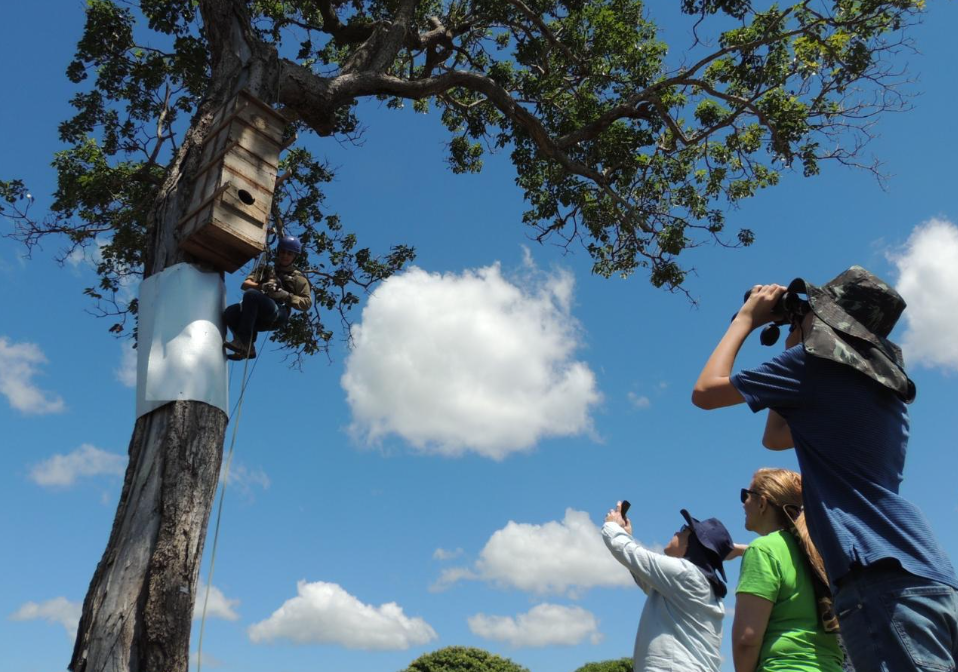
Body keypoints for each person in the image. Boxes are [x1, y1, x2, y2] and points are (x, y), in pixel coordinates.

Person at [692, 266, 958, 671]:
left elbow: (706, 392)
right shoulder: (884, 388)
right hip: (927, 572)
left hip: (877, 576)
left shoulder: (815, 369)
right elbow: (777, 437)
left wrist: (747, 319)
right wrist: (797, 343)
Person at [602, 502, 742, 672]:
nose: (676, 532)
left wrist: (612, 525)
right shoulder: (695, 582)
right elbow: (642, 572)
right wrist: (626, 534)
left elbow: (625, 550)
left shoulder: (685, 573)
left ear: (694, 543)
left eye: (684, 529)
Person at [734, 468, 842, 672]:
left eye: (745, 495)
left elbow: (746, 639)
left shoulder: (763, 550)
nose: (743, 503)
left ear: (762, 502)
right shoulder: (820, 552)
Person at [223, 235, 312, 360]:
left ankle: (243, 343)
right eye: (283, 252)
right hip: (257, 312)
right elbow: (245, 284)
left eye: (289, 254)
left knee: (251, 295)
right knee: (230, 313)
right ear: (278, 252)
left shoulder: (298, 279)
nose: (285, 256)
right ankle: (248, 347)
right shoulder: (265, 270)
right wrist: (262, 286)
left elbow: (306, 303)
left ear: (294, 256)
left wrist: (286, 296)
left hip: (277, 313)